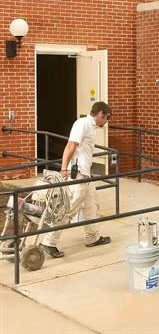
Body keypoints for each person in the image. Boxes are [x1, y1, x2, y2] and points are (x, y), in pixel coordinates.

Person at [40, 102, 112, 258]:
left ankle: (93, 237)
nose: (106, 122)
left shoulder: (91, 126)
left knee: (92, 205)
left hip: (86, 175)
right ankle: (48, 242)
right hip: (78, 174)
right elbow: (71, 145)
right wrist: (64, 168)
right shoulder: (82, 124)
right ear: (100, 114)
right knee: (69, 209)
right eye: (106, 118)